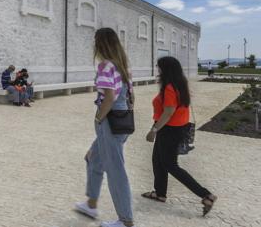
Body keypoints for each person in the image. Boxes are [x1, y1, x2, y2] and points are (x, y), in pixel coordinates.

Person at [75, 27, 136, 227]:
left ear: (100, 43)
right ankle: (91, 204)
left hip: (109, 122)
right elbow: (131, 97)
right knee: (92, 157)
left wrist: (99, 118)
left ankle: (125, 220)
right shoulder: (124, 67)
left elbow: (109, 97)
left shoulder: (105, 66)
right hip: (123, 119)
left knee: (116, 170)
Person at [141, 56, 217, 216]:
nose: (157, 70)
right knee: (157, 160)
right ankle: (159, 193)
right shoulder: (180, 84)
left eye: (159, 67)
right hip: (177, 128)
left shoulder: (169, 87)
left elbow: (168, 112)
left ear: (166, 69)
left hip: (169, 129)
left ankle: (206, 195)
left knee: (170, 165)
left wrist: (153, 130)